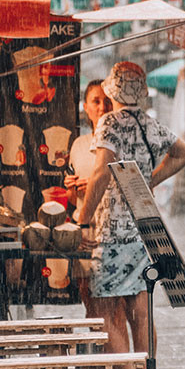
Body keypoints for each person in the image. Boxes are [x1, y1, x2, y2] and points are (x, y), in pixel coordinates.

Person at [77, 62, 185, 369]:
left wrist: (84, 219)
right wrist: (150, 180)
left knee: (106, 313)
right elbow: (183, 152)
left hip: (113, 232)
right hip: (144, 229)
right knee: (141, 312)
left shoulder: (109, 122)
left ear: (111, 92)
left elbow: (101, 172)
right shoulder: (150, 123)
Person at [64, 80, 112, 319]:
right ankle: (97, 349)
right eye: (96, 101)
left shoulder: (116, 143)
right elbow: (73, 200)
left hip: (108, 232)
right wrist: (73, 189)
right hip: (83, 232)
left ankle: (113, 352)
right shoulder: (79, 144)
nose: (102, 107)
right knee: (89, 302)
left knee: (113, 307)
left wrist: (97, 187)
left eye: (107, 101)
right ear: (85, 107)